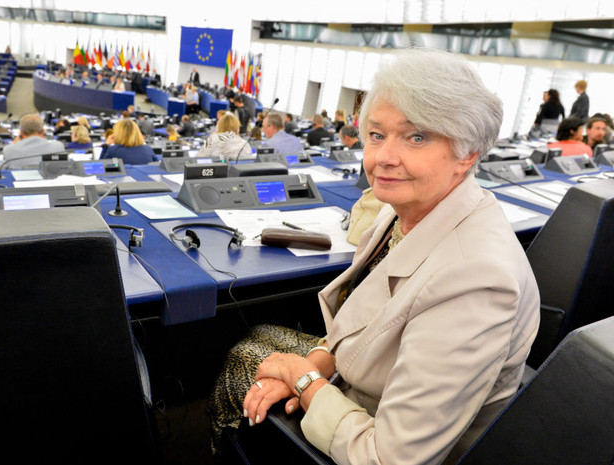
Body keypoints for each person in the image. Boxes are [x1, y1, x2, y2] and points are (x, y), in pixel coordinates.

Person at [209, 49, 540, 465]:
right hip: (362, 377)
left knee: (241, 371)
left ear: (468, 153)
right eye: (377, 135)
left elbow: (391, 457)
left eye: (416, 137)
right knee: (254, 338)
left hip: (375, 433)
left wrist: (304, 381)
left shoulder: (477, 279)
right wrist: (316, 364)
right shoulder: (403, 209)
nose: (383, 157)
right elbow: (362, 323)